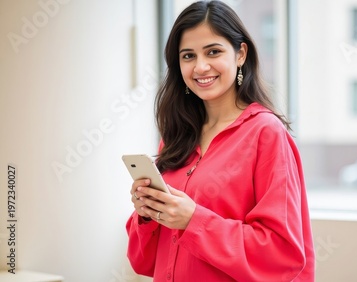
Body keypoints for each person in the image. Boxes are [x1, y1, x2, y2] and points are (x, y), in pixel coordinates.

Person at [126, 1, 315, 281]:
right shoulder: (176, 138)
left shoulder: (266, 133)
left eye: (213, 51)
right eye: (188, 56)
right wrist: (147, 215)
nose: (201, 67)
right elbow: (144, 263)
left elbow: (281, 255)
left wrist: (194, 221)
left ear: (240, 54)